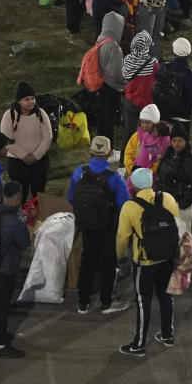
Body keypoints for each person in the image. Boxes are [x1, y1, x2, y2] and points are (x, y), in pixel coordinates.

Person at [115, 167, 180, 355]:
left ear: (133, 186)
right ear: (152, 183)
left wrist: (120, 257)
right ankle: (167, 335)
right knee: (166, 295)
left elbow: (122, 237)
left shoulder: (130, 207)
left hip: (145, 262)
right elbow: (177, 224)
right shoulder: (167, 198)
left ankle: (139, 344)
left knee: (143, 302)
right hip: (167, 257)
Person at [67, 134, 130, 315]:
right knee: (108, 263)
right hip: (108, 227)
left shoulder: (79, 171)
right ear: (110, 153)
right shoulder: (114, 178)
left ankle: (83, 302)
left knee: (88, 261)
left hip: (86, 225)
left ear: (91, 151)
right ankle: (106, 302)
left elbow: (71, 198)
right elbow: (124, 204)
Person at [0, 181, 30, 358]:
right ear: (18, 197)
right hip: (5, 269)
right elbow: (25, 243)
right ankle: (2, 345)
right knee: (3, 305)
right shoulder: (14, 220)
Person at [0, 84, 52, 203]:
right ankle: (20, 219)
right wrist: (24, 155)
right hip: (17, 161)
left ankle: (38, 219)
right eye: (26, 99)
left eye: (32, 98)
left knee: (39, 194)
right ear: (19, 101)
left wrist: (35, 155)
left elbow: (48, 137)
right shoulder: (9, 116)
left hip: (40, 161)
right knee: (19, 195)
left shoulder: (41, 113)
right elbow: (7, 139)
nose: (31, 102)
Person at [156, 123, 192, 233]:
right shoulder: (168, 155)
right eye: (174, 140)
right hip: (166, 202)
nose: (177, 144)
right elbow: (161, 176)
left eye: (180, 140)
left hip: (181, 206)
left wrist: (182, 204)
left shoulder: (190, 161)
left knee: (183, 234)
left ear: (185, 141)